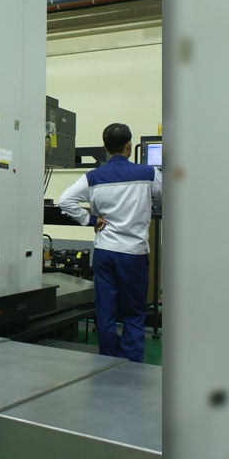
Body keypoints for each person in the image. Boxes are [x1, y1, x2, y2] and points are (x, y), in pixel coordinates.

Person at [58, 123, 162, 361]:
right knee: (133, 314)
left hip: (105, 252)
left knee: (105, 312)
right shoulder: (147, 174)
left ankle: (107, 363)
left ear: (105, 147)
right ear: (129, 145)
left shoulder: (93, 177)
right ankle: (132, 365)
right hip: (134, 255)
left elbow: (65, 200)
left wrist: (90, 219)